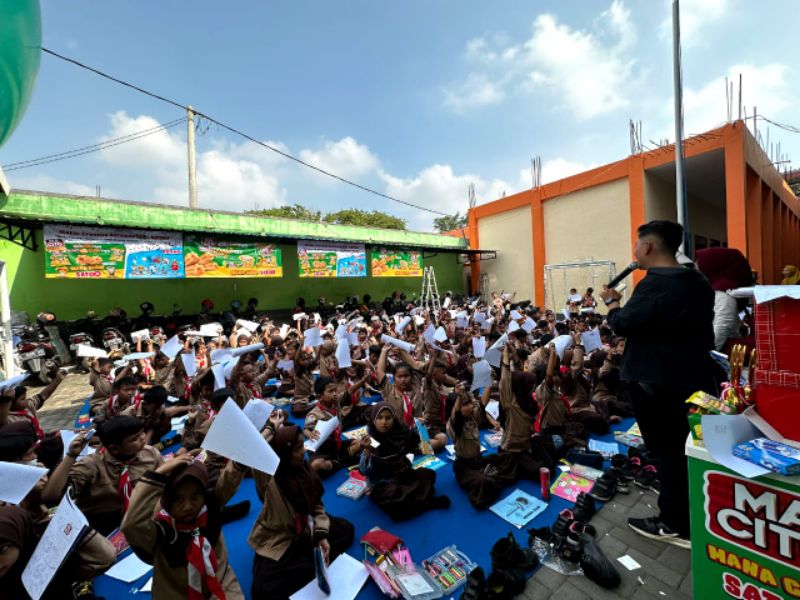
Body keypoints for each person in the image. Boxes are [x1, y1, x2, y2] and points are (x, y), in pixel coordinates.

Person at [601, 220, 716, 547]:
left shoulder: (655, 284)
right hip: (689, 377)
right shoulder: (697, 281)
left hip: (657, 382)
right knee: (682, 449)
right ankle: (688, 509)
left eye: (637, 244)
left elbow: (623, 323)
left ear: (648, 246)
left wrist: (612, 304)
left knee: (667, 452)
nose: (634, 251)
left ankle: (674, 523)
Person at [250, 423, 355, 600]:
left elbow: (317, 507)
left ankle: (307, 562)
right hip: (281, 537)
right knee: (262, 590)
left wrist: (321, 535)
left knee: (347, 529)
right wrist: (271, 429)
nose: (304, 451)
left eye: (303, 445)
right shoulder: (270, 480)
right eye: (298, 448)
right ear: (284, 452)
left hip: (307, 527)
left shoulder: (304, 470)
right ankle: (307, 563)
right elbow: (256, 451)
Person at [121, 454, 247, 600]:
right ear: (166, 501)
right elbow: (131, 524)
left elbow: (229, 481)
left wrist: (242, 458)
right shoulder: (159, 531)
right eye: (178, 499)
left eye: (195, 496)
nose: (188, 507)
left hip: (220, 584)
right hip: (177, 594)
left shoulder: (210, 506)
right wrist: (158, 474)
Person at [42, 416, 165, 535]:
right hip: (103, 524)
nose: (143, 438)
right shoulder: (91, 465)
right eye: (134, 439)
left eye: (142, 433)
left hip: (143, 513)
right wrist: (71, 456)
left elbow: (166, 482)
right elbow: (51, 496)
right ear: (114, 449)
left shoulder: (150, 453)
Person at [360, 402, 450, 521]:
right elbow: (364, 470)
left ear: (394, 418)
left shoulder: (401, 432)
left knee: (427, 474)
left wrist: (421, 429)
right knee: (390, 494)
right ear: (373, 420)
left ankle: (414, 503)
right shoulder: (369, 439)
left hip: (402, 475)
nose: (384, 422)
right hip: (383, 482)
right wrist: (367, 451)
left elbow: (420, 447)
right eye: (380, 418)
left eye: (388, 418)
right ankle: (425, 502)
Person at [695, 248, 753, 351]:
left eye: (700, 262)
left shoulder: (723, 291)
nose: (697, 266)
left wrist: (701, 355)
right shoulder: (717, 288)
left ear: (714, 265)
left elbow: (721, 327)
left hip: (720, 352)